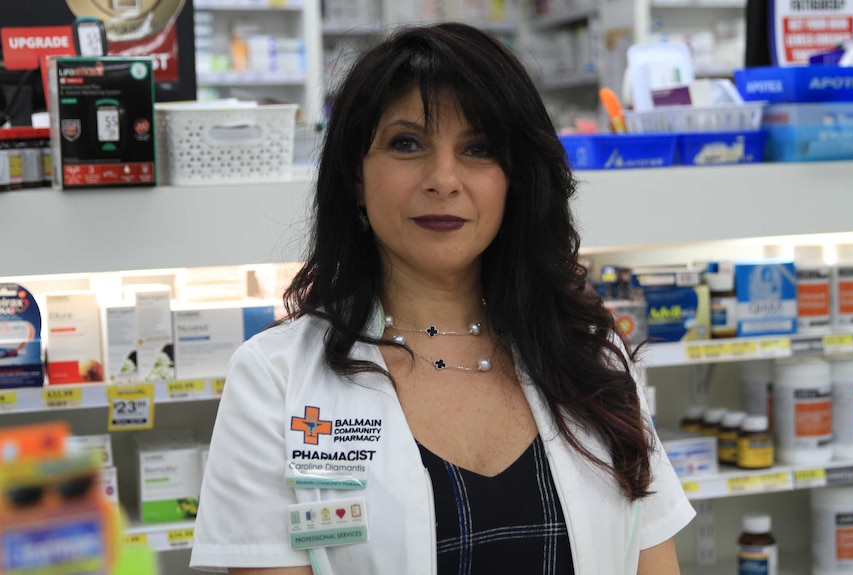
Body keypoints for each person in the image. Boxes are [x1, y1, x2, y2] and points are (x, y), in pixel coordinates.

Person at [190, 22, 695, 575]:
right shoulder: (275, 379)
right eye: (407, 143)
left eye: (478, 148)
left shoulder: (591, 358)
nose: (443, 178)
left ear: (515, 179)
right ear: (356, 176)